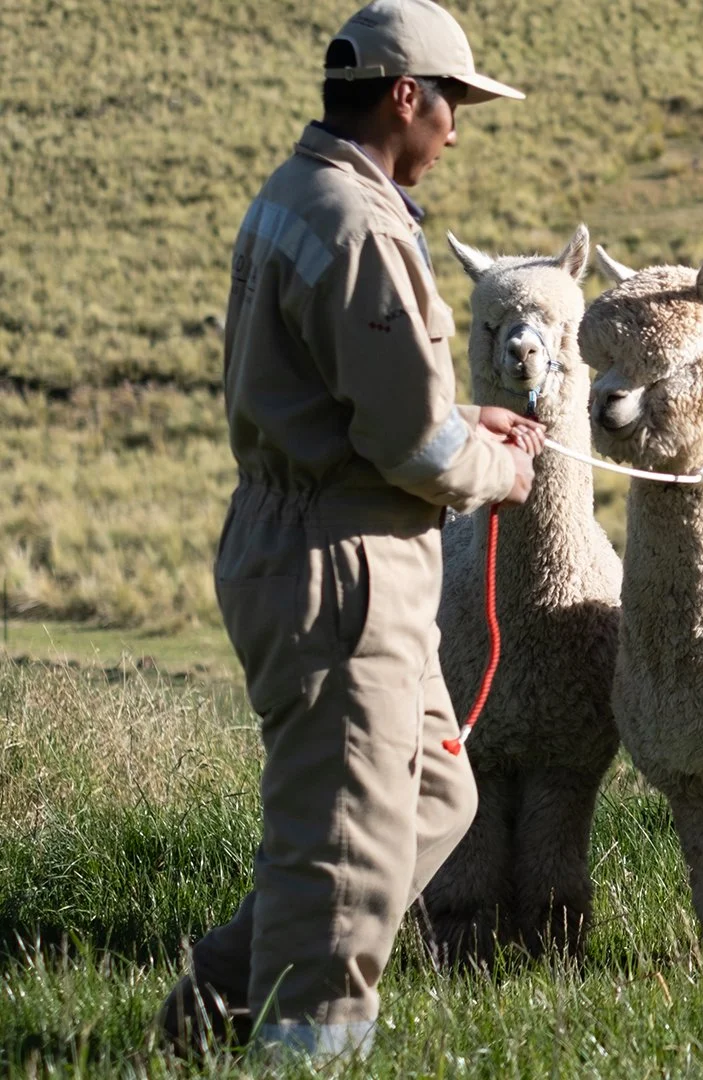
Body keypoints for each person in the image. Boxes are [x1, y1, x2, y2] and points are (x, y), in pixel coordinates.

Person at [156, 0, 538, 1060]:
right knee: (345, 846)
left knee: (431, 792)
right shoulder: (363, 225)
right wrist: (499, 467)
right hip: (344, 566)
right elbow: (411, 452)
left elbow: (345, 399)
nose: (457, 127)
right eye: (452, 101)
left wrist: (466, 418)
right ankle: (304, 1046)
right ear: (403, 96)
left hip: (323, 541)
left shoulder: (300, 194)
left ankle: (212, 1013)